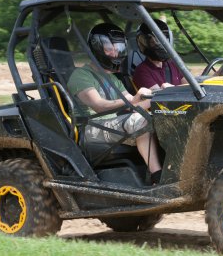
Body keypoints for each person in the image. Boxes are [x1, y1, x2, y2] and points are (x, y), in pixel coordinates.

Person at [67, 23, 161, 184]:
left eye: (118, 48)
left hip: (113, 123)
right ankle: (157, 176)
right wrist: (132, 100)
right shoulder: (80, 76)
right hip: (92, 128)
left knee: (162, 115)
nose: (115, 52)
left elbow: (132, 103)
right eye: (109, 48)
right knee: (140, 120)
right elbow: (99, 106)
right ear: (97, 48)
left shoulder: (112, 78)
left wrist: (156, 96)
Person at [133, 19, 186, 90]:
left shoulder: (174, 63)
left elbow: (189, 86)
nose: (160, 45)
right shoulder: (141, 71)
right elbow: (158, 99)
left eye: (163, 40)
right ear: (145, 43)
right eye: (155, 41)